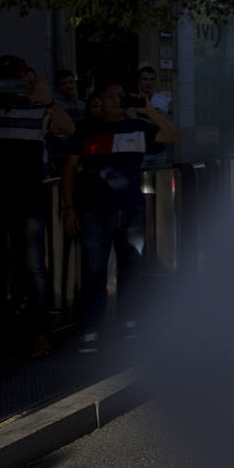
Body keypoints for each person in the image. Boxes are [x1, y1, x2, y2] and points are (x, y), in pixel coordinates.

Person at [0, 54, 75, 359]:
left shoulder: (38, 108)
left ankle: (40, 332)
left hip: (29, 196)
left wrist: (47, 100)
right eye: (4, 79)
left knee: (33, 265)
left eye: (17, 79)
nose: (11, 85)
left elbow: (67, 128)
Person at [62, 80, 179, 352]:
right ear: (99, 100)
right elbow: (69, 169)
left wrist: (148, 111)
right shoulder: (85, 130)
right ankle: (91, 327)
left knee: (132, 268)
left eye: (120, 95)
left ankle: (131, 320)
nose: (116, 100)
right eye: (109, 95)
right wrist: (68, 208)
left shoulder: (139, 128)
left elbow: (172, 135)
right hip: (94, 210)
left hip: (130, 209)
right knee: (94, 270)